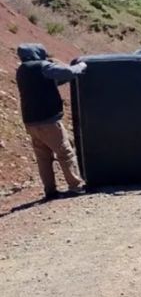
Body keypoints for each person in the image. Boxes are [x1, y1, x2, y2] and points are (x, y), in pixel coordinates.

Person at [15, 44, 87, 200]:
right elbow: (67, 72)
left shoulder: (22, 70)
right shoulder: (42, 66)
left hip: (31, 121)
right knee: (65, 152)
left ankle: (50, 191)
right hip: (48, 120)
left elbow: (49, 82)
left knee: (43, 157)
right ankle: (76, 186)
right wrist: (81, 66)